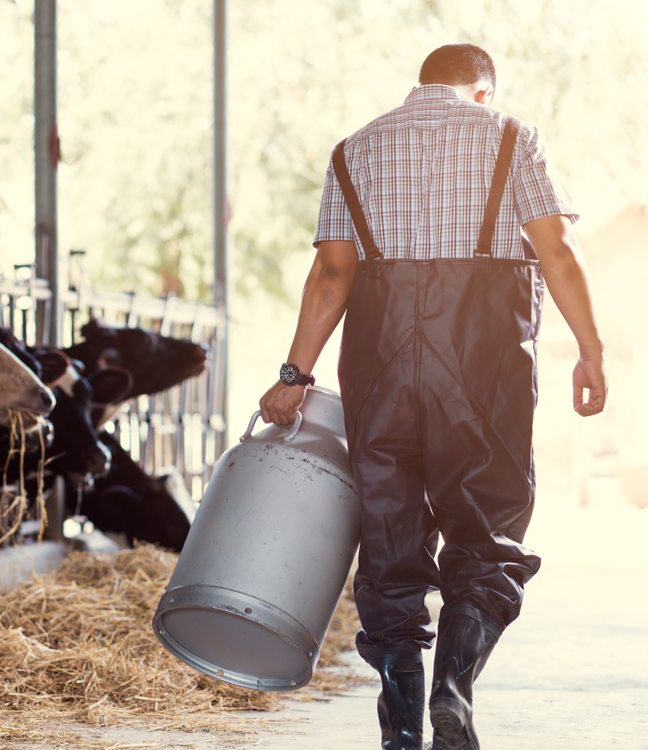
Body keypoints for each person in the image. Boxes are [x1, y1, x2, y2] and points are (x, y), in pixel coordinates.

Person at [258, 44, 606, 750]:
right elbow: (557, 252)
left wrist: (293, 378)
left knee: (389, 547)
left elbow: (332, 274)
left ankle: (399, 732)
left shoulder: (354, 150)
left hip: (379, 371)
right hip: (483, 372)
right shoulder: (512, 135)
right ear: (482, 91)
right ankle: (453, 691)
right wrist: (592, 351)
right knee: (487, 536)